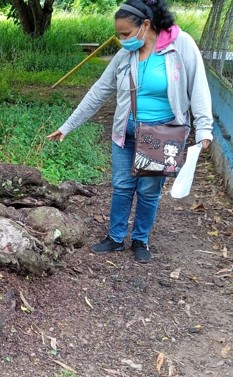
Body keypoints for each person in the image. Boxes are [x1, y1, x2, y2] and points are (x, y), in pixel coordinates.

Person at [47, 0, 213, 263]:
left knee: (148, 190)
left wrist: (205, 129)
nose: (122, 40)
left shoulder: (181, 46)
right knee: (122, 186)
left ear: (145, 25)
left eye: (125, 34)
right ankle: (115, 238)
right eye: (119, 34)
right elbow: (98, 92)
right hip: (126, 132)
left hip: (162, 135)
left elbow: (199, 87)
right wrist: (68, 126)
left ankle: (140, 239)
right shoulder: (126, 55)